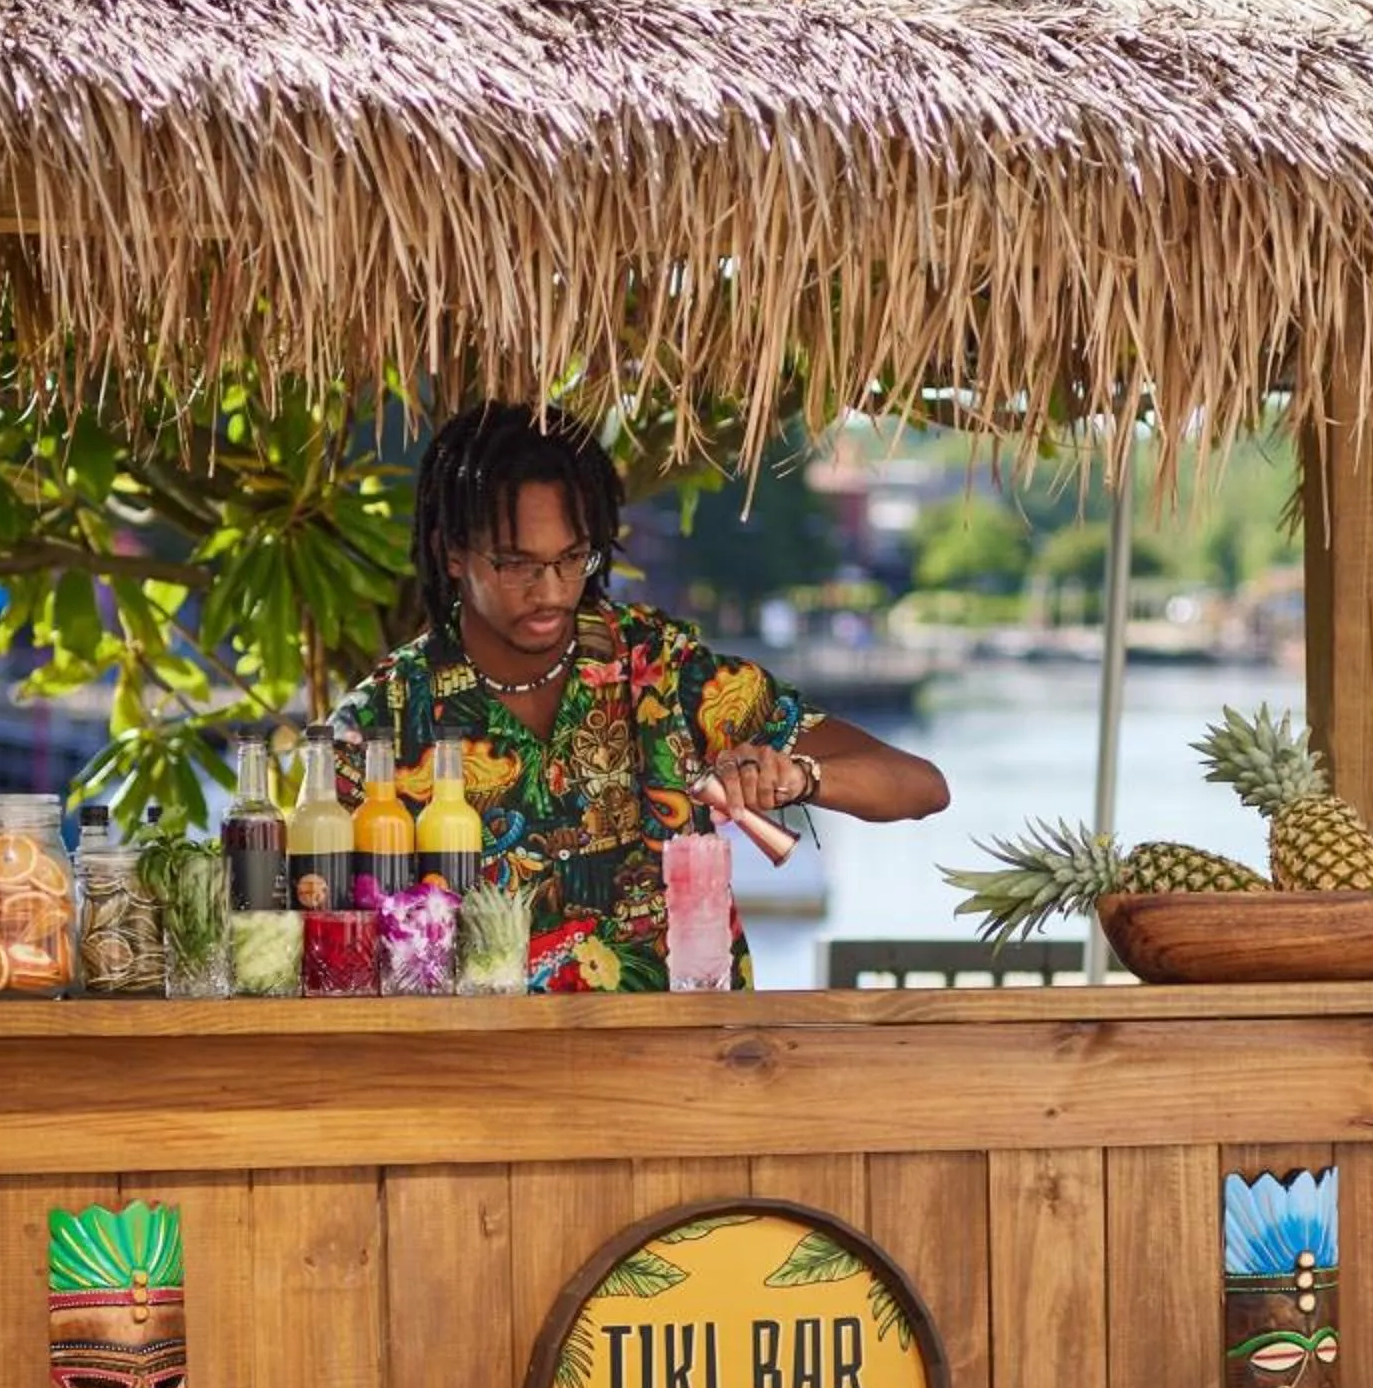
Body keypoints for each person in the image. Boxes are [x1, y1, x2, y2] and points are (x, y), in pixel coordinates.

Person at [330, 402, 949, 991]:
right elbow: (330, 955)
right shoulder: (379, 727)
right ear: (453, 555)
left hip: (689, 1074)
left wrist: (799, 778)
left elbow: (919, 785)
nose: (552, 592)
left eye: (572, 559)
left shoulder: (663, 670)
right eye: (519, 564)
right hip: (484, 1086)